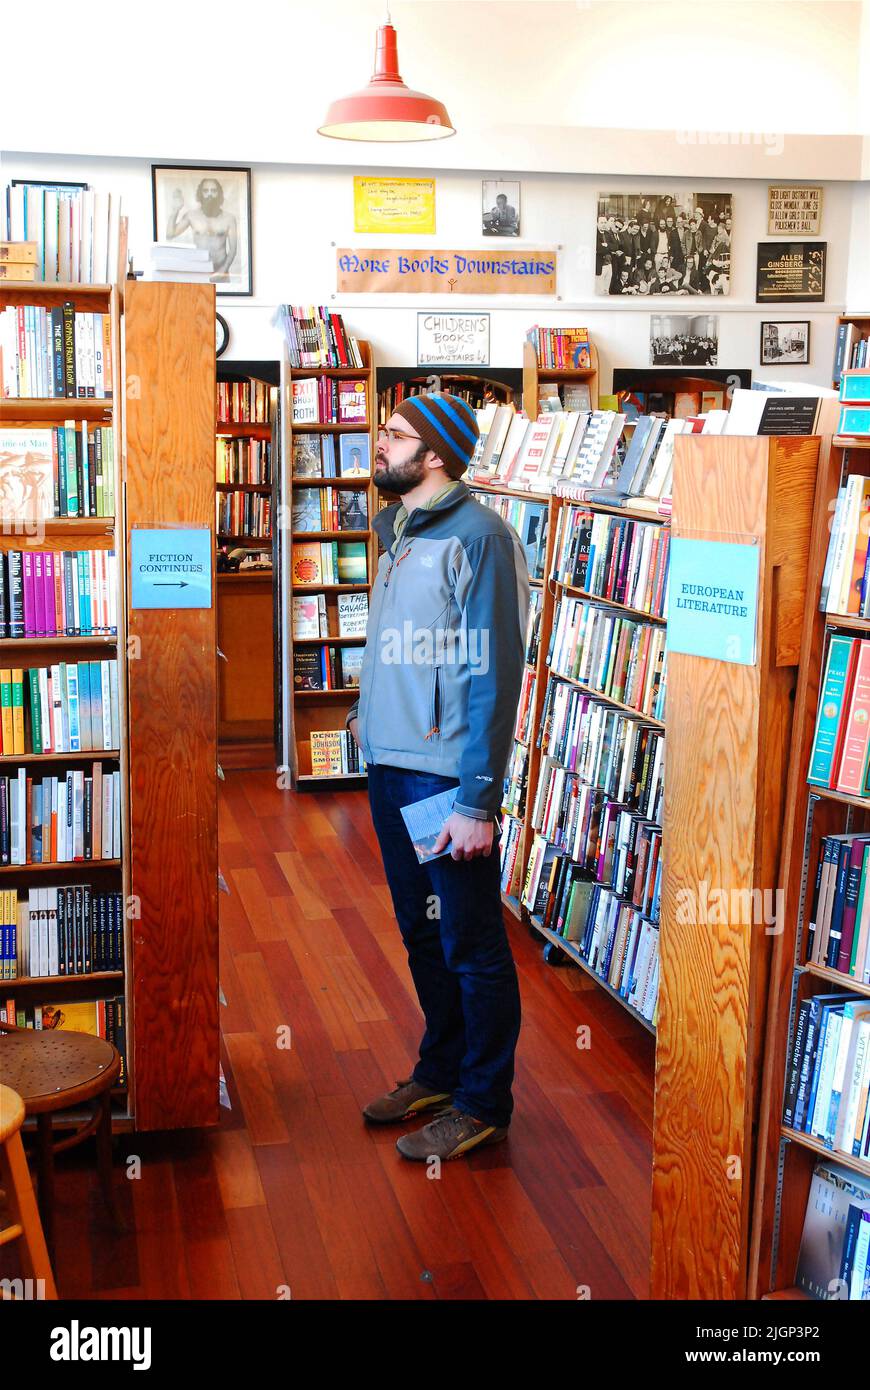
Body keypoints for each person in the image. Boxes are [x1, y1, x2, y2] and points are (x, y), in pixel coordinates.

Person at [347, 393, 530, 1162]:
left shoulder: (480, 537)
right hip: (390, 768)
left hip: (444, 783)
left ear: (436, 456)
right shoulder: (396, 529)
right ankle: (442, 1068)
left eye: (394, 435)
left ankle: (484, 1101)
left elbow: (495, 673)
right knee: (422, 935)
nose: (378, 444)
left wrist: (477, 800)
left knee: (471, 942)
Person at [165, 176, 238, 280]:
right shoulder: (191, 215)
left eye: (213, 191)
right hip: (198, 271)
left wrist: (223, 270)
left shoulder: (229, 218)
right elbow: (170, 234)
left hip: (221, 271)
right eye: (205, 191)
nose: (209, 194)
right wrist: (175, 210)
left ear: (219, 194)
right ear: (200, 194)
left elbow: (233, 250)